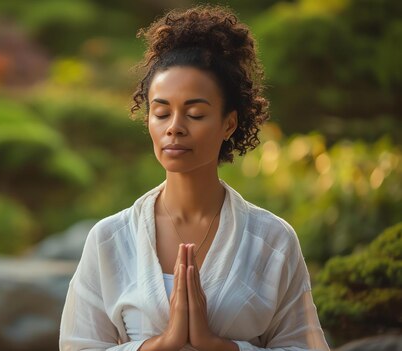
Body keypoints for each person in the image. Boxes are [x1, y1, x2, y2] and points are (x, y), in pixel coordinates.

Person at [59, 5, 330, 351]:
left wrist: (217, 345)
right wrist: (160, 344)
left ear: (229, 123)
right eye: (161, 112)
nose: (175, 127)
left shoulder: (272, 241)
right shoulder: (111, 239)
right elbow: (78, 345)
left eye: (195, 113)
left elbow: (303, 346)